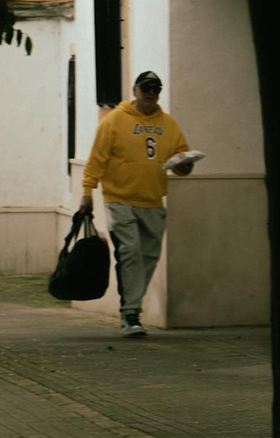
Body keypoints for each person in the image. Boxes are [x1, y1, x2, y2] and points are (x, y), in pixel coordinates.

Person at [78, 70, 194, 337]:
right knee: (130, 251)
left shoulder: (168, 124)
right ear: (135, 90)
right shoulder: (114, 121)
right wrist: (87, 192)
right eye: (147, 88)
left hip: (152, 200)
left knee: (147, 258)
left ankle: (132, 307)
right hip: (119, 198)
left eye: (156, 89)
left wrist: (184, 166)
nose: (151, 93)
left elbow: (180, 158)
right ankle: (131, 314)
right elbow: (96, 159)